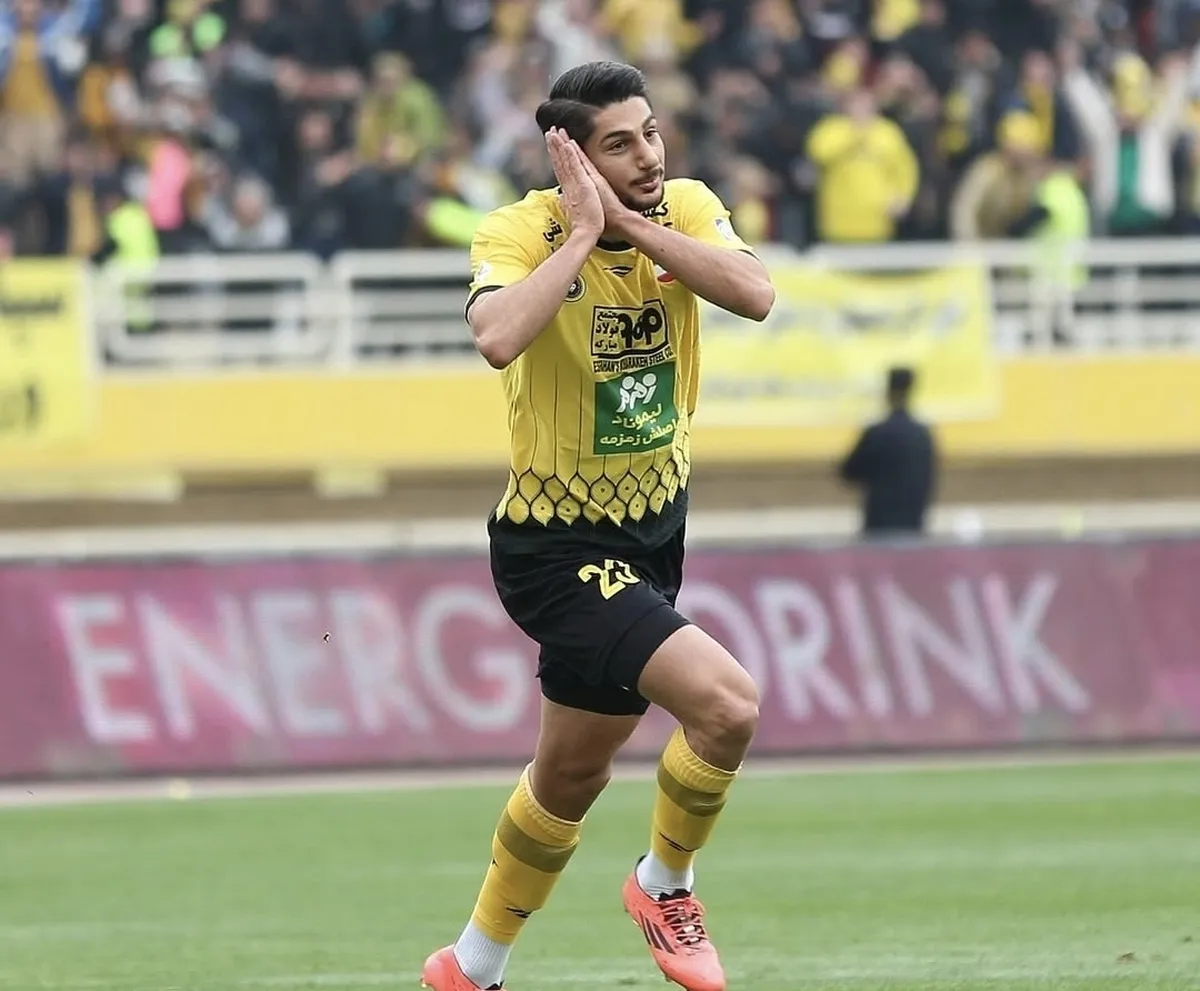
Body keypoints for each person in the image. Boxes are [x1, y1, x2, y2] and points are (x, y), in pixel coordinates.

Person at [420, 61, 775, 991]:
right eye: (619, 143)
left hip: (653, 533)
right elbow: (497, 337)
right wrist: (584, 234)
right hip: (555, 544)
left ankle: (470, 967)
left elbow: (755, 293)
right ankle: (665, 884)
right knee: (727, 706)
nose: (648, 155)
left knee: (570, 776)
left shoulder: (685, 207)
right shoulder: (517, 230)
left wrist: (634, 226)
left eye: (651, 132)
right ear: (570, 156)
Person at [839, 366, 937, 537]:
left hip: (878, 524)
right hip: (913, 524)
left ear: (888, 392)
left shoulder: (876, 432)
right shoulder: (923, 434)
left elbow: (848, 472)